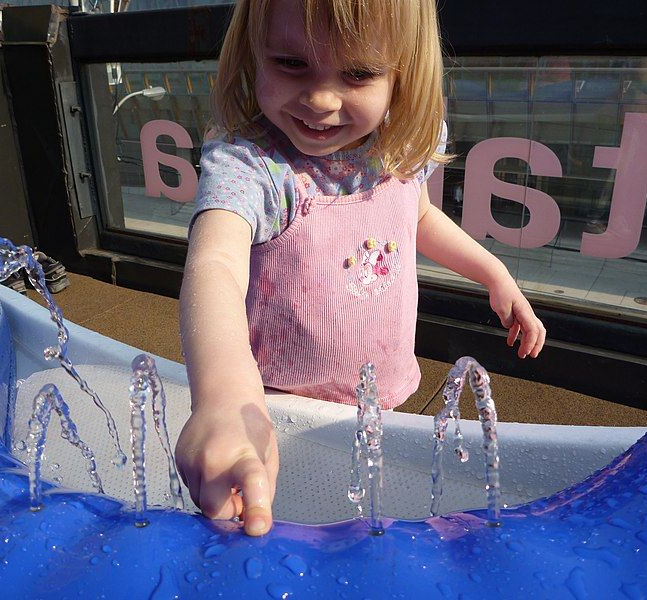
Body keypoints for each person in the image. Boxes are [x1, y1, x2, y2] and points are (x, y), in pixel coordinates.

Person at [176, 0, 547, 537]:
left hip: (384, 396)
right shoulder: (254, 165)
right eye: (291, 63)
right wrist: (227, 401)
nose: (322, 99)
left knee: (376, 529)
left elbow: (416, 215)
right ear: (251, 54)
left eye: (359, 73)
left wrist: (494, 273)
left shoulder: (398, 145)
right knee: (294, 538)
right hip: (279, 414)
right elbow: (215, 263)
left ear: (404, 71)